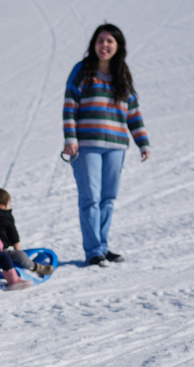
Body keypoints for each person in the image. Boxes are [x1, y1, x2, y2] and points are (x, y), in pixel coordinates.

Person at [62, 23, 150, 267]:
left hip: (116, 146)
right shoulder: (82, 70)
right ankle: (93, 251)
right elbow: (70, 104)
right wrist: (70, 138)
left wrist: (142, 142)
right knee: (90, 197)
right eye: (101, 40)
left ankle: (103, 246)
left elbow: (132, 111)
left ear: (118, 46)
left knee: (108, 198)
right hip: (87, 145)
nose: (104, 45)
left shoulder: (122, 73)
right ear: (94, 43)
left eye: (110, 41)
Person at [0, 186, 55, 277]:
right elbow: (13, 236)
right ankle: (36, 268)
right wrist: (18, 250)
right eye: (9, 204)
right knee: (20, 256)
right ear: (2, 206)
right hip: (2, 252)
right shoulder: (5, 217)